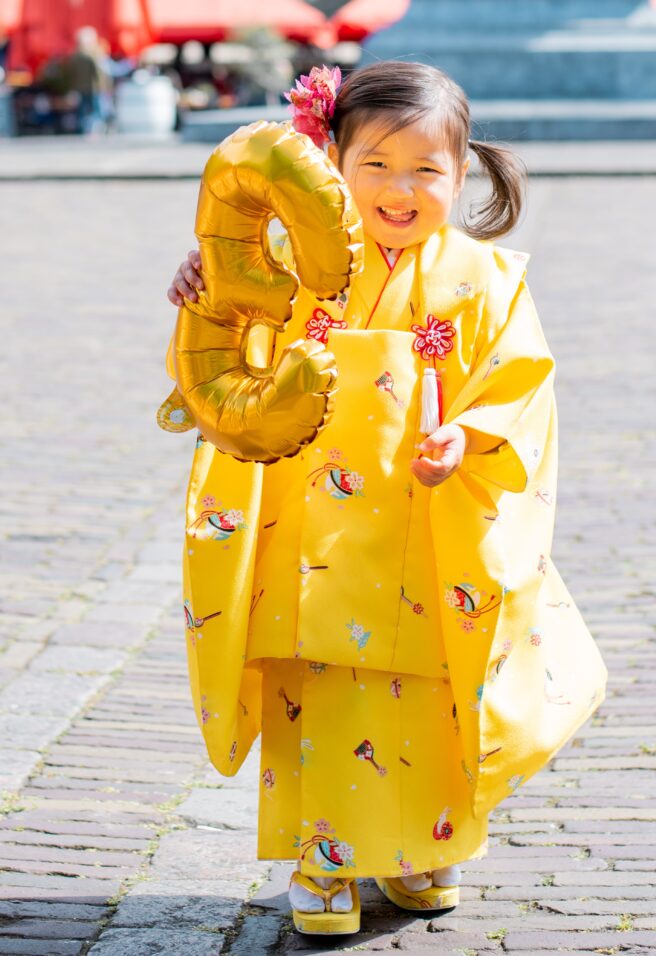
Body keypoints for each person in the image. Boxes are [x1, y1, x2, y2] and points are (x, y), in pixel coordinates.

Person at [161, 62, 608, 934]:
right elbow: (234, 328)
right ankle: (322, 867)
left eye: (426, 171)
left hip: (425, 524)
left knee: (430, 690)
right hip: (313, 536)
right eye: (375, 166)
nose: (400, 190)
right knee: (323, 691)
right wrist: (205, 280)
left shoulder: (484, 278)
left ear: (462, 173)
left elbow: (519, 380)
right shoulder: (295, 258)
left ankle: (420, 850)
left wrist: (468, 433)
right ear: (331, 160)